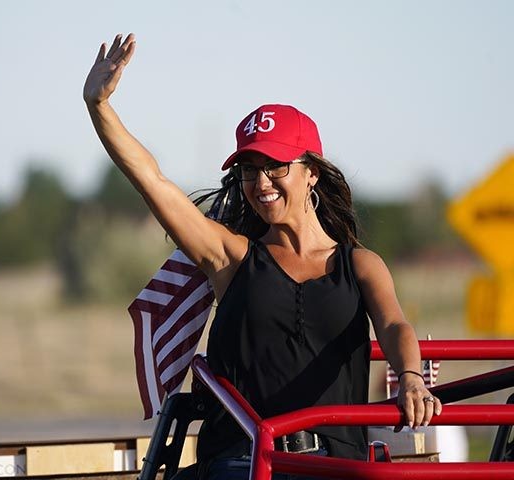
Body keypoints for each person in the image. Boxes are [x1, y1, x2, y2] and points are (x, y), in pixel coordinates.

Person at [83, 33, 443, 480]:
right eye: (250, 170)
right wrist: (100, 109)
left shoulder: (360, 264)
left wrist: (410, 375)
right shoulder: (231, 257)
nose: (262, 181)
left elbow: (394, 325)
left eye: (276, 166)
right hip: (245, 461)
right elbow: (154, 182)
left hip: (335, 465)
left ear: (311, 172)